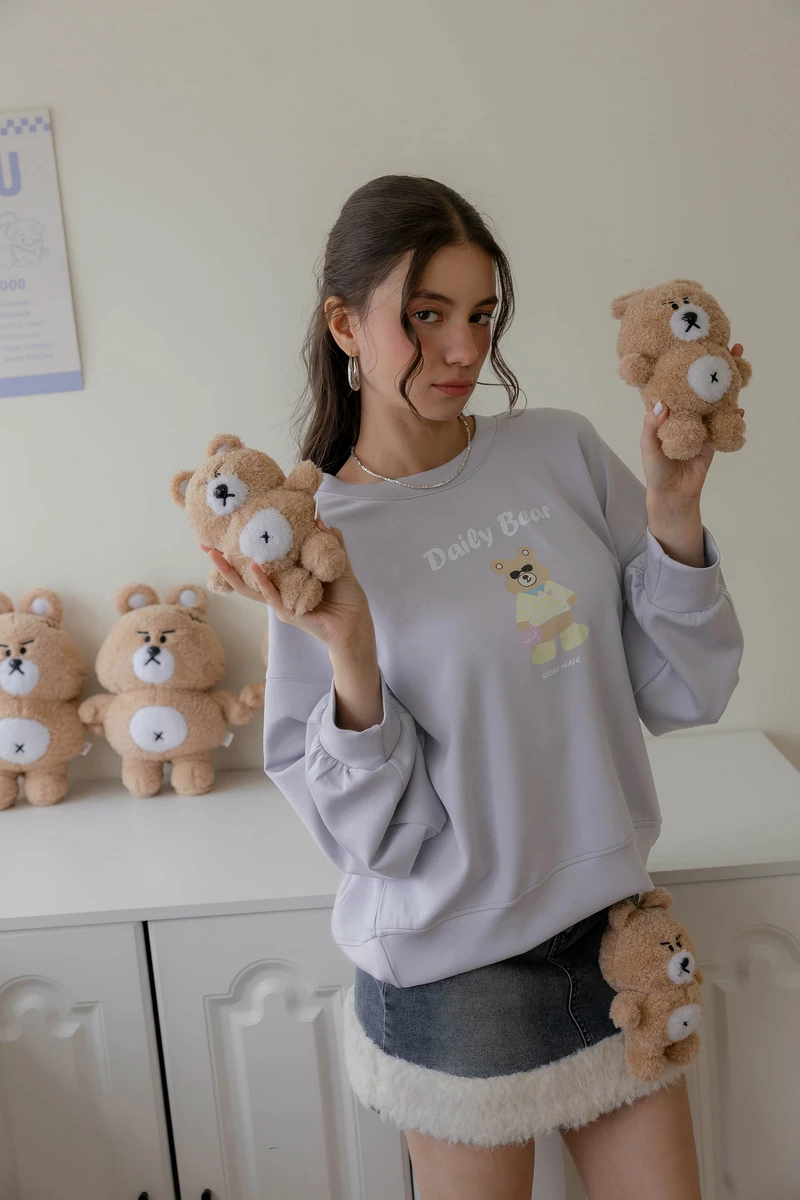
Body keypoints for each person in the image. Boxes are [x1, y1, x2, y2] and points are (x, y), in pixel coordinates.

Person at [203, 175, 744, 1200]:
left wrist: (673, 513)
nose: (463, 349)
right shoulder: (318, 542)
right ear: (345, 326)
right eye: (425, 315)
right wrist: (350, 648)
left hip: (616, 934)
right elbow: (375, 839)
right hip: (458, 977)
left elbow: (682, 691)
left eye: (481, 314)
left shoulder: (558, 451)